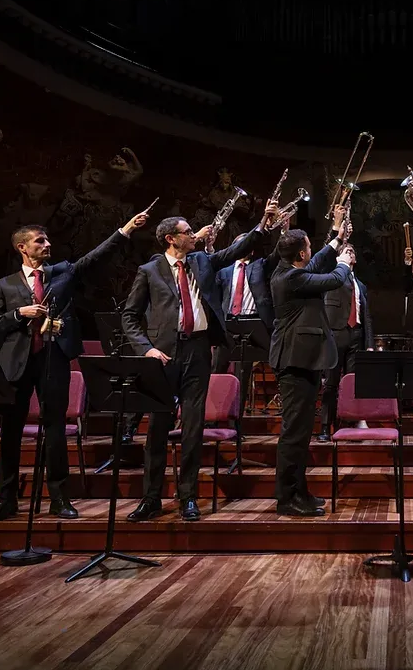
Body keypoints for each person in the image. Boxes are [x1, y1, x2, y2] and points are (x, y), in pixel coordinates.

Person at [0, 208, 149, 522]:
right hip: (16, 364)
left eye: (47, 240)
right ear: (22, 247)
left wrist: (125, 229)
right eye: (40, 241)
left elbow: (94, 258)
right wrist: (19, 314)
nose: (47, 245)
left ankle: (59, 498)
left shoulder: (61, 273)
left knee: (55, 428)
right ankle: (7, 499)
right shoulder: (4, 285)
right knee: (11, 431)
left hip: (52, 358)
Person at [122, 204, 275, 522]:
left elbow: (236, 250)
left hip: (198, 351)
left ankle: (188, 496)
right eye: (188, 232)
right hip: (163, 356)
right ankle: (151, 498)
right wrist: (146, 349)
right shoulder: (149, 271)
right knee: (158, 429)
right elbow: (130, 316)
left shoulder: (202, 260)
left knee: (193, 427)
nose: (195, 235)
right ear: (170, 239)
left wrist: (263, 223)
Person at [270, 209, 355, 516]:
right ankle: (287, 497)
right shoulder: (291, 277)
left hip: (302, 360)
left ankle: (300, 491)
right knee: (294, 433)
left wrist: (336, 238)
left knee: (302, 431)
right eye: (308, 246)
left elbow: (317, 262)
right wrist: (344, 262)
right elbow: (332, 278)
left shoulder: (289, 269)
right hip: (294, 361)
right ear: (301, 254)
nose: (311, 251)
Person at [212, 231, 283, 414]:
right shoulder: (224, 271)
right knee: (216, 371)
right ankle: (213, 417)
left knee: (242, 375)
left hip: (251, 325)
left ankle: (236, 419)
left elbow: (276, 255)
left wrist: (283, 232)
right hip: (227, 325)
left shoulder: (260, 266)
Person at [319, 243, 374, 440]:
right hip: (335, 335)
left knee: (353, 382)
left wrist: (369, 343)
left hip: (356, 336)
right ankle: (326, 426)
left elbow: (366, 316)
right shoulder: (331, 277)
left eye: (352, 251)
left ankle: (353, 421)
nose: (350, 253)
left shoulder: (361, 285)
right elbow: (324, 260)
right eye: (346, 250)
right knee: (331, 383)